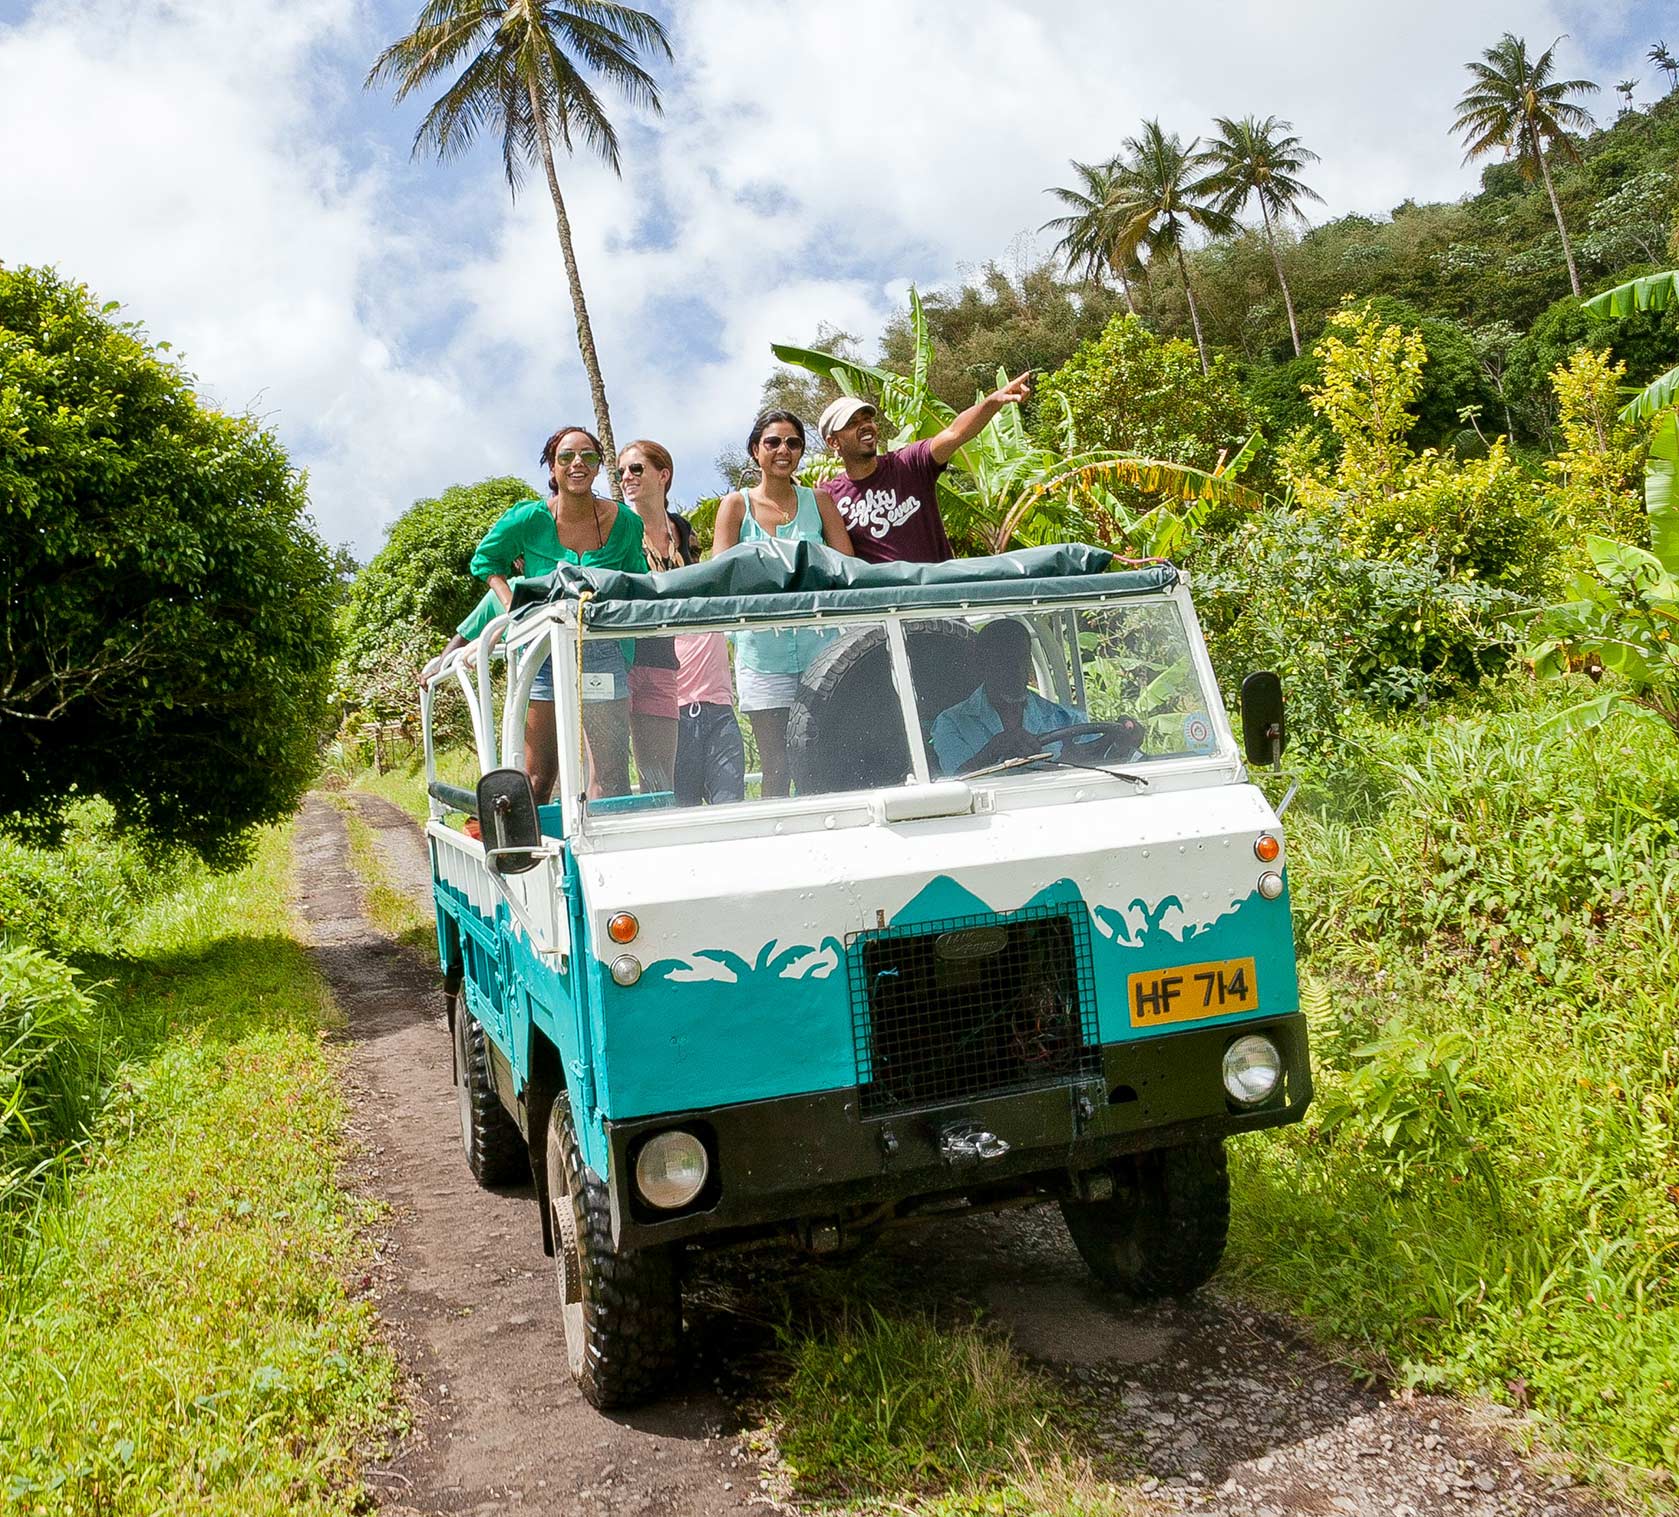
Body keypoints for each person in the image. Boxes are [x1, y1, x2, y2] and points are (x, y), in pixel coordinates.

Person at [471, 427, 647, 801]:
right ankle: (532, 857)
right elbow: (486, 561)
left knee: (611, 772)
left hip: (602, 649)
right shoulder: (528, 518)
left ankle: (599, 853)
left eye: (588, 456)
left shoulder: (626, 523)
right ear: (553, 468)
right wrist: (514, 608)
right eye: (566, 457)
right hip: (543, 653)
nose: (577, 463)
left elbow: (638, 578)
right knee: (539, 774)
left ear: (599, 466)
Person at [712, 410, 854, 797]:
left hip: (823, 651)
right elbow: (718, 578)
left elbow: (848, 571)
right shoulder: (735, 506)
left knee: (824, 755)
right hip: (762, 655)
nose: (783, 450)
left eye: (793, 442)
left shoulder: (820, 502)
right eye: (772, 442)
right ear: (756, 451)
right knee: (777, 766)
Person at [818, 371, 1033, 564]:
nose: (865, 425)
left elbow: (955, 433)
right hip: (886, 605)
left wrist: (994, 401)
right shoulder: (829, 497)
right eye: (852, 423)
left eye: (867, 419)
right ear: (833, 442)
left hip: (939, 595)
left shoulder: (908, 464)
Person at [619, 439, 691, 793]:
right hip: (618, 659)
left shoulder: (682, 528)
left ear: (663, 475)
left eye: (636, 468)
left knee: (661, 777)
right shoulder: (616, 526)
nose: (626, 477)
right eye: (621, 472)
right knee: (610, 773)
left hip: (662, 659)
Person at [928, 619, 1085, 776]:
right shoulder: (951, 723)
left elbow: (1101, 765)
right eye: (1004, 660)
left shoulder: (1067, 719)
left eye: (1022, 658)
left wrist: (1074, 761)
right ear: (981, 664)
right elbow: (955, 784)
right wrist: (991, 751)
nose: (1017, 669)